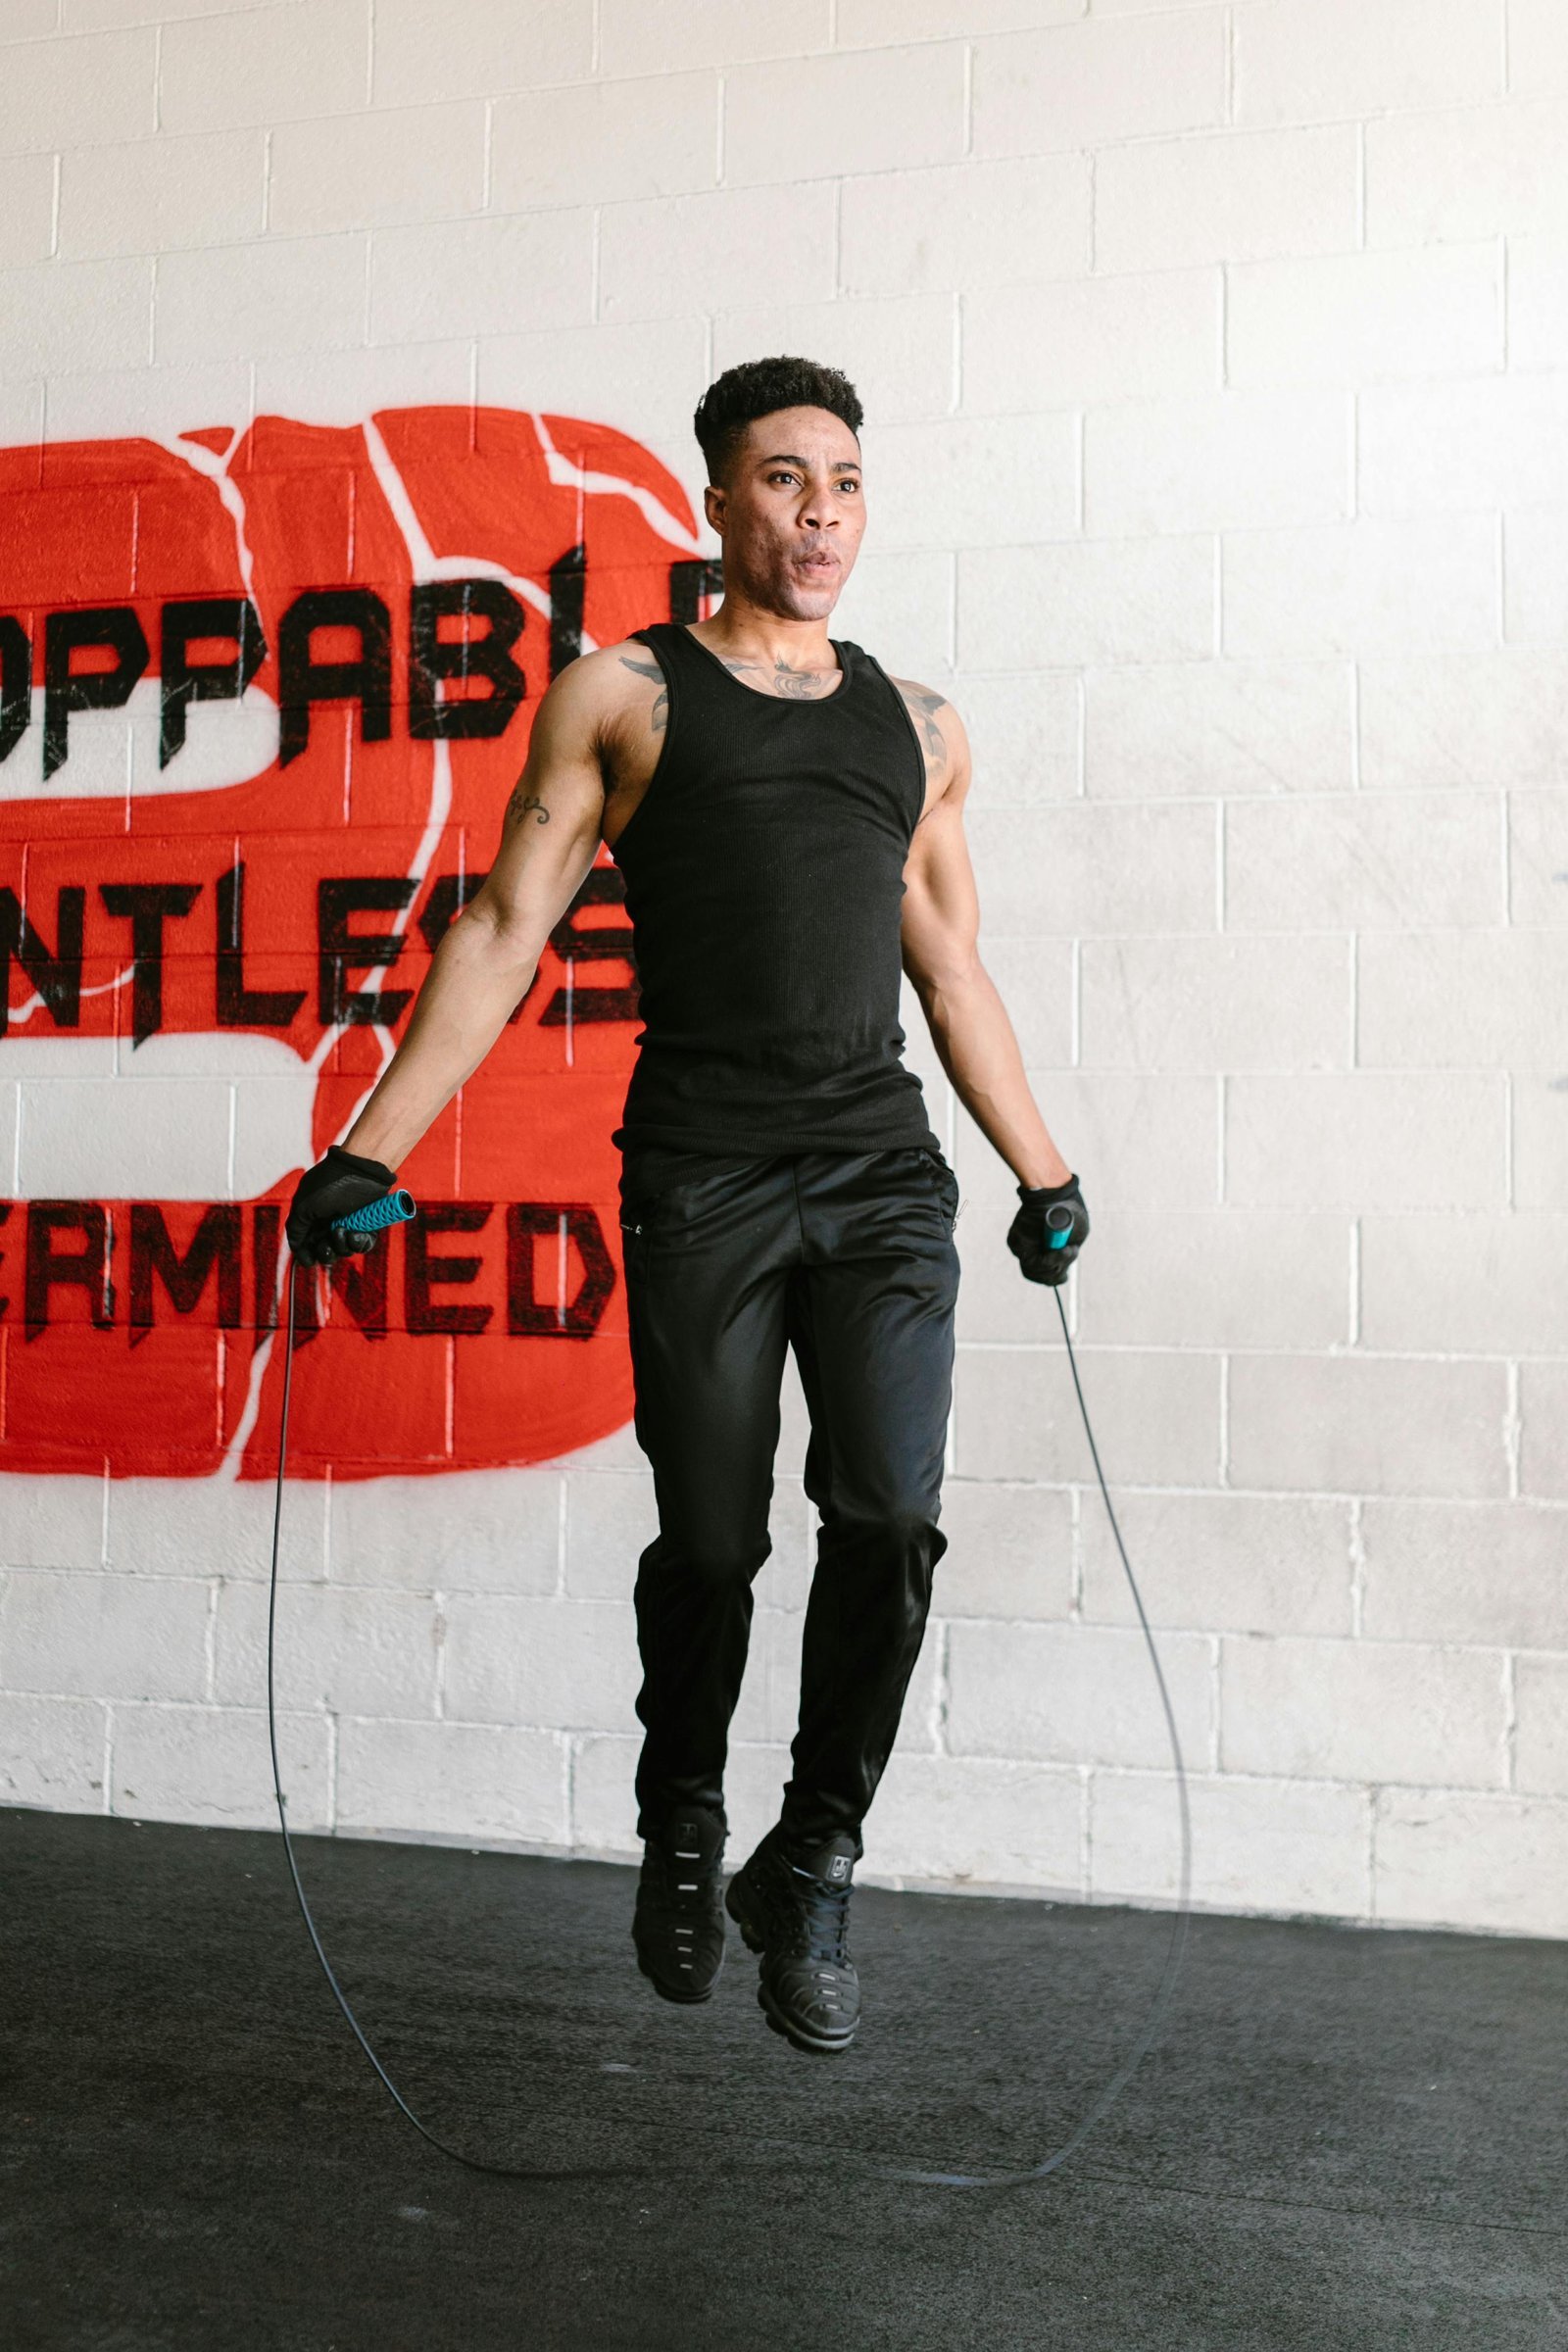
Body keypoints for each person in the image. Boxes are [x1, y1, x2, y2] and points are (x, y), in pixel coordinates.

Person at [285, 356, 1089, 2057]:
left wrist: (1044, 1170)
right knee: (714, 1541)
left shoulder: (920, 728)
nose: (821, 513)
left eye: (846, 483)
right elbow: (504, 927)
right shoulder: (624, 696)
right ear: (716, 500)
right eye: (785, 479)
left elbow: (952, 970)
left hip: (880, 1178)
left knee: (889, 1520)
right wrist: (370, 1151)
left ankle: (814, 1857)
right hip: (703, 1175)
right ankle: (684, 1814)